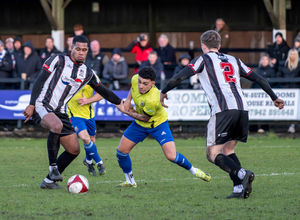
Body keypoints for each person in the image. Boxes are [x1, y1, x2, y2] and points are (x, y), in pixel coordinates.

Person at [160, 30, 284, 199]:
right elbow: (259, 78)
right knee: (228, 149)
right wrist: (274, 97)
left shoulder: (202, 59)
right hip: (242, 109)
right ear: (219, 46)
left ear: (203, 45)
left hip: (223, 110)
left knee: (212, 153)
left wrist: (163, 91)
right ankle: (239, 188)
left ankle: (241, 174)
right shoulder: (234, 60)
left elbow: (179, 77)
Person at [23, 35, 125, 189]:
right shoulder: (57, 60)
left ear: (87, 51)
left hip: (61, 111)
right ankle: (53, 168)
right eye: (78, 49)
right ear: (72, 48)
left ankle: (49, 181)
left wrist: (120, 103)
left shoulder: (88, 73)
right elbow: (39, 80)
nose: (81, 52)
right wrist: (31, 104)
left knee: (74, 150)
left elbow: (104, 91)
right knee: (56, 126)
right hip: (42, 105)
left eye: (84, 50)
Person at [116, 66, 211, 188]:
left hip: (158, 125)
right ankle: (130, 181)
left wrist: (125, 111)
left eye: (145, 84)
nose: (141, 86)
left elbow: (145, 118)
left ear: (152, 84)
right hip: (139, 125)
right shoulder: (135, 79)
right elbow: (133, 87)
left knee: (171, 156)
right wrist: (128, 100)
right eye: (140, 82)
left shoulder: (154, 99)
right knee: (121, 152)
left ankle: (194, 170)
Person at [67, 85, 106, 176]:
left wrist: (88, 100)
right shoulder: (67, 77)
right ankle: (99, 163)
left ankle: (88, 161)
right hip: (74, 115)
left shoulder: (91, 77)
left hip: (89, 115)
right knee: (85, 138)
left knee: (91, 141)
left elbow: (102, 93)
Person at [278, 48, 300, 134]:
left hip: (296, 90)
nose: (292, 56)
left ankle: (292, 125)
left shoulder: (299, 65)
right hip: (286, 90)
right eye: (291, 54)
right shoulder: (284, 65)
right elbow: (279, 75)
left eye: (294, 54)